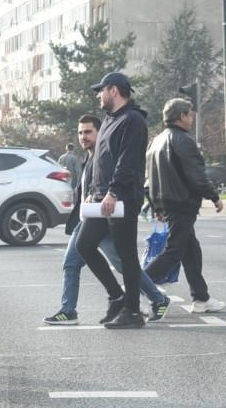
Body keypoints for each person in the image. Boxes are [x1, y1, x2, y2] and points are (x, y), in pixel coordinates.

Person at [43, 115, 170, 325]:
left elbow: (112, 183)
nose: (83, 137)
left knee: (121, 264)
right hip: (89, 217)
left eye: (88, 132)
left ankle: (154, 298)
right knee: (73, 264)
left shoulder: (102, 158)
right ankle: (69, 310)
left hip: (100, 218)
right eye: (80, 133)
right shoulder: (88, 158)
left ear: (100, 133)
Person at [75, 72, 148, 329]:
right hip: (101, 197)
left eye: (101, 90)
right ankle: (117, 297)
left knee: (127, 255)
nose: (99, 95)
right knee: (84, 245)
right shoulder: (109, 119)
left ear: (114, 91)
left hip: (121, 198)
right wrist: (94, 191)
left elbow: (127, 161)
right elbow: (101, 159)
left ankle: (133, 311)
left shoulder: (133, 120)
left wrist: (113, 192)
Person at [145, 98, 225, 313]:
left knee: (191, 251)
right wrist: (214, 196)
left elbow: (149, 178)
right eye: (190, 115)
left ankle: (201, 298)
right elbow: (196, 174)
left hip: (166, 203)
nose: (192, 119)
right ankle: (136, 287)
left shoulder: (157, 140)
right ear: (182, 116)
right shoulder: (183, 140)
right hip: (182, 203)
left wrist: (155, 205)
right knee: (174, 251)